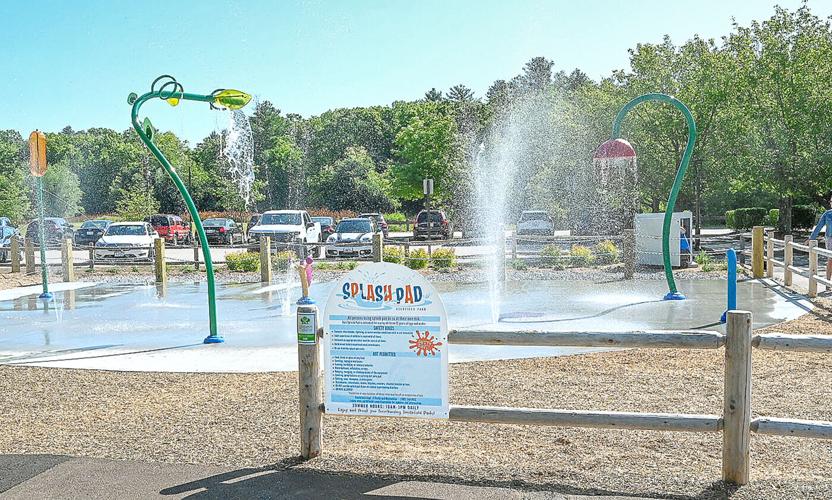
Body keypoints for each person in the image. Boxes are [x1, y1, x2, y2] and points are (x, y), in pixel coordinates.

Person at [806, 196, 832, 280]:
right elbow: (818, 227)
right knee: (831, 259)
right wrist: (811, 238)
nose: (831, 203)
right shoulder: (827, 214)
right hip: (830, 239)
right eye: (831, 201)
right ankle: (828, 282)